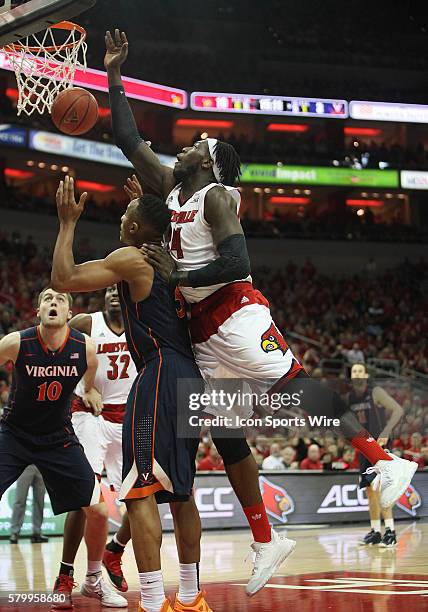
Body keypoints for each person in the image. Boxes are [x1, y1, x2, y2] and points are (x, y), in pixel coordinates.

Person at [106, 28, 418, 596]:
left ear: (213, 162)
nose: (187, 144)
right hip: (200, 329)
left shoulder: (217, 198)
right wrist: (115, 73)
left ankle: (382, 459)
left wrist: (179, 276)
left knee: (293, 390)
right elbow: (127, 137)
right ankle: (265, 540)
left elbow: (236, 259)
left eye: (197, 142)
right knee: (225, 434)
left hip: (235, 311)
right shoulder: (172, 192)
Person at [51, 176, 212, 612]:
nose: (121, 218)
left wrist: (67, 223)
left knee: (141, 493)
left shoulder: (132, 257)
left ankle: (155, 600)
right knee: (180, 494)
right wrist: (146, 204)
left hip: (157, 374)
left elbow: (63, 278)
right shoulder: (174, 258)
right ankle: (192, 597)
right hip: (189, 378)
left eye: (127, 216)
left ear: (138, 230)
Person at [0, 287, 104, 609]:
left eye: (60, 299)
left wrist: (89, 391)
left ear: (70, 313)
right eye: (47, 298)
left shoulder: (85, 347)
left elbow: (91, 371)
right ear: (38, 311)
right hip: (15, 435)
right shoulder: (17, 342)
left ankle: (85, 578)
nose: (53, 302)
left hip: (58, 437)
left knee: (99, 510)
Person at [57, 284, 137, 604]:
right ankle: (66, 574)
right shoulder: (87, 323)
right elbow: (51, 340)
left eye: (122, 289)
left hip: (128, 419)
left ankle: (114, 550)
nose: (115, 294)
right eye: (109, 290)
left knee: (143, 498)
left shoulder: (142, 325)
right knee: (85, 499)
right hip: (90, 416)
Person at [349, 363, 404, 548]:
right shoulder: (349, 397)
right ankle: (375, 531)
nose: (356, 374)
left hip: (380, 445)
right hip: (364, 447)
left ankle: (391, 532)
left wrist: (387, 431)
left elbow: (398, 410)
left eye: (359, 371)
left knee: (381, 489)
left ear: (365, 375)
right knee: (369, 491)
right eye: (353, 371)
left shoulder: (376, 392)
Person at [10, 465, 47, 544]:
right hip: (25, 465)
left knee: (40, 501)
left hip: (41, 465)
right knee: (20, 500)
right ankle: (14, 532)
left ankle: (37, 532)